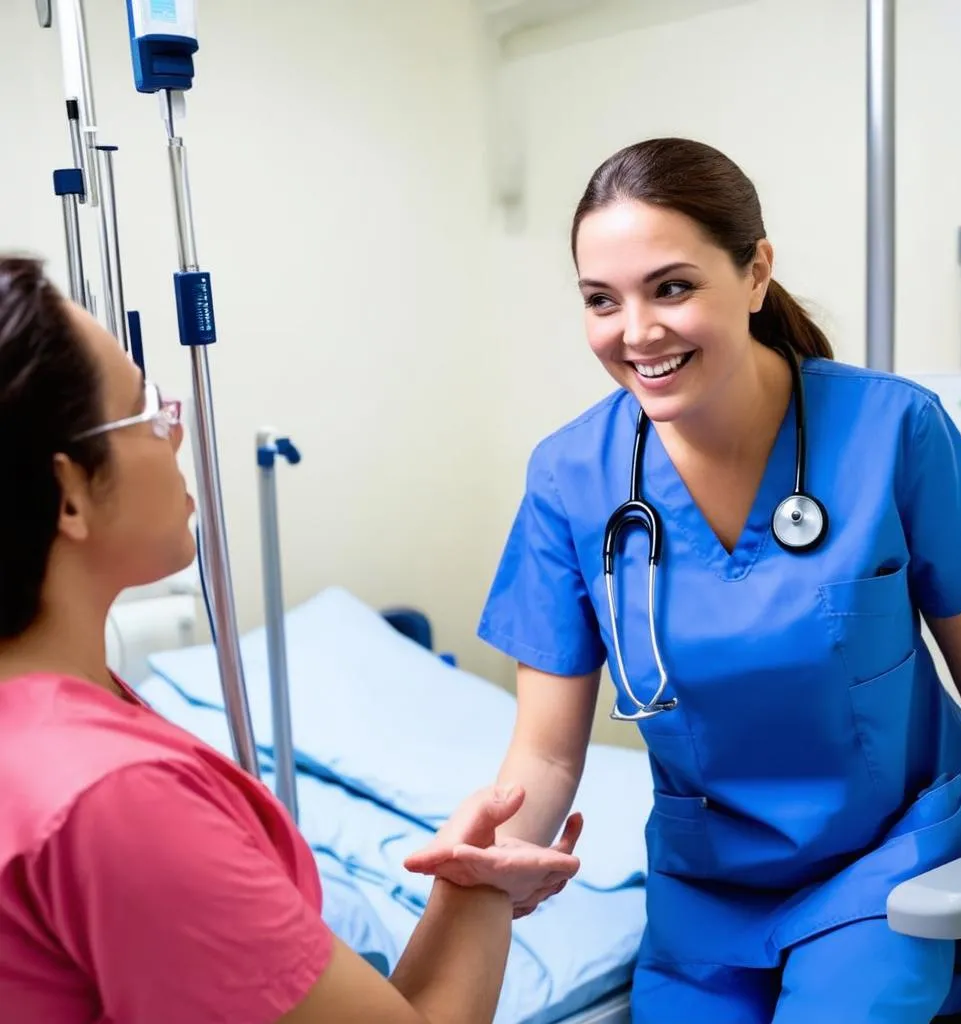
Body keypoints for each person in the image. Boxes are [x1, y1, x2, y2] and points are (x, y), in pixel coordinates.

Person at [404, 138, 961, 1023]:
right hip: (709, 893)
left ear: (757, 272)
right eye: (600, 301)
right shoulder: (570, 480)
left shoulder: (894, 432)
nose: (637, 332)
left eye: (672, 286)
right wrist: (498, 859)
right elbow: (545, 750)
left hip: (889, 864)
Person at [0, 254, 583, 1024]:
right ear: (70, 492)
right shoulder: (112, 799)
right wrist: (486, 889)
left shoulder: (58, 720)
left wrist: (470, 886)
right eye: (145, 410)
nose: (175, 433)